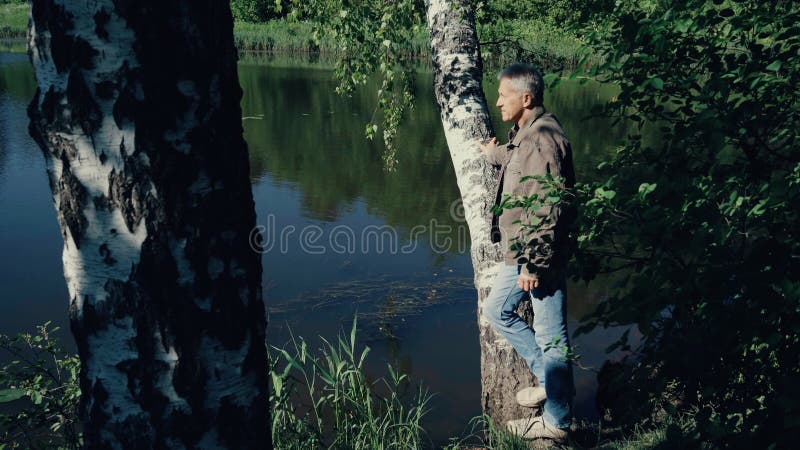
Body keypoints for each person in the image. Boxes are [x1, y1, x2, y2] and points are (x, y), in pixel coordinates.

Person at [479, 63, 576, 441]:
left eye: (503, 95)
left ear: (526, 97)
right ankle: (549, 383)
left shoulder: (542, 140)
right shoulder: (529, 134)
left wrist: (533, 263)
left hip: (538, 256)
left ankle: (557, 422)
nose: (498, 101)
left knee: (552, 336)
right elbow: (523, 168)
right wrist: (495, 154)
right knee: (497, 310)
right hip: (525, 252)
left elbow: (546, 206)